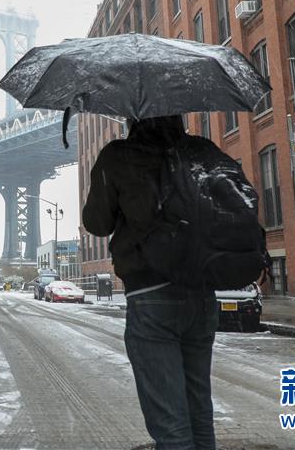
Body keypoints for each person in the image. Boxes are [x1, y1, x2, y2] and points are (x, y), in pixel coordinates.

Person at [82, 115, 218, 450]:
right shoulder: (203, 150)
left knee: (171, 426)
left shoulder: (118, 155)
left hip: (151, 295)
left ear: (134, 115)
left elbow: (97, 223)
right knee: (199, 413)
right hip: (201, 293)